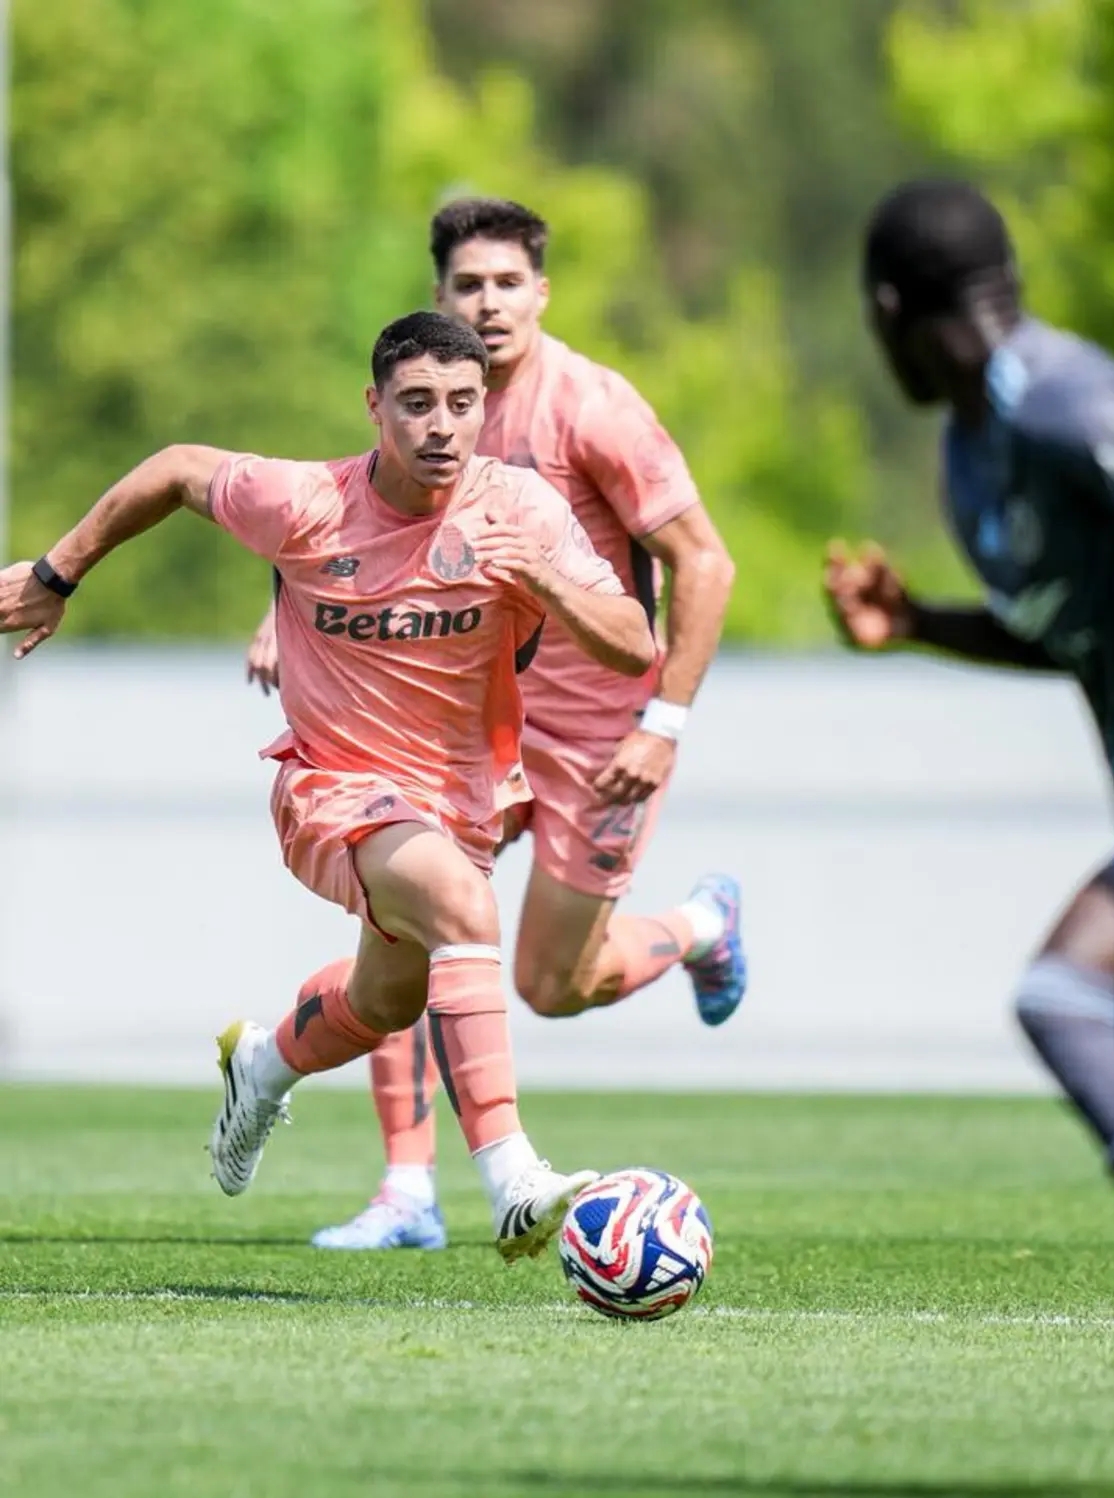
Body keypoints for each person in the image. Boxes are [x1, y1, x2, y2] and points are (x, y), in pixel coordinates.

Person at [0, 310, 657, 1263]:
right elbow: (179, 468)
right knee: (466, 910)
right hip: (332, 789)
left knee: (385, 1002)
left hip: (457, 801)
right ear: (376, 406)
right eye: (418, 403)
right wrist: (61, 572)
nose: (442, 426)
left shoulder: (522, 510)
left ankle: (262, 1065)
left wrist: (547, 586)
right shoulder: (307, 502)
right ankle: (511, 1174)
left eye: (463, 405)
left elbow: (635, 641)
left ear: (485, 409)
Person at [247, 198, 746, 1252]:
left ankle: (700, 926)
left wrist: (664, 722)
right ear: (442, 301)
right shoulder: (437, 398)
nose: (490, 302)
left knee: (551, 984)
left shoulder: (594, 410)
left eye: (508, 284)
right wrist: (279, 619)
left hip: (598, 732)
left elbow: (704, 562)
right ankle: (406, 1189)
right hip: (463, 720)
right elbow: (353, 535)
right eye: (470, 285)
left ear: (541, 293)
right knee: (419, 916)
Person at [825, 176, 1114, 1446]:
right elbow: (1081, 631)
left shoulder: (1059, 396)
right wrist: (923, 625)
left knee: (1066, 991)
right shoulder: (983, 437)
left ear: (889, 312)